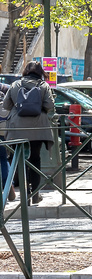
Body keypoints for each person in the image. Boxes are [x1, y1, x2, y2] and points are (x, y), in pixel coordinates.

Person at [2, 62, 55, 204]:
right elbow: (50, 105)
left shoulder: (15, 85)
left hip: (16, 129)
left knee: (19, 160)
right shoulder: (44, 86)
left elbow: (6, 105)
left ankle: (25, 194)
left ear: (26, 71)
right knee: (35, 159)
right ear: (40, 72)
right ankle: (35, 193)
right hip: (38, 128)